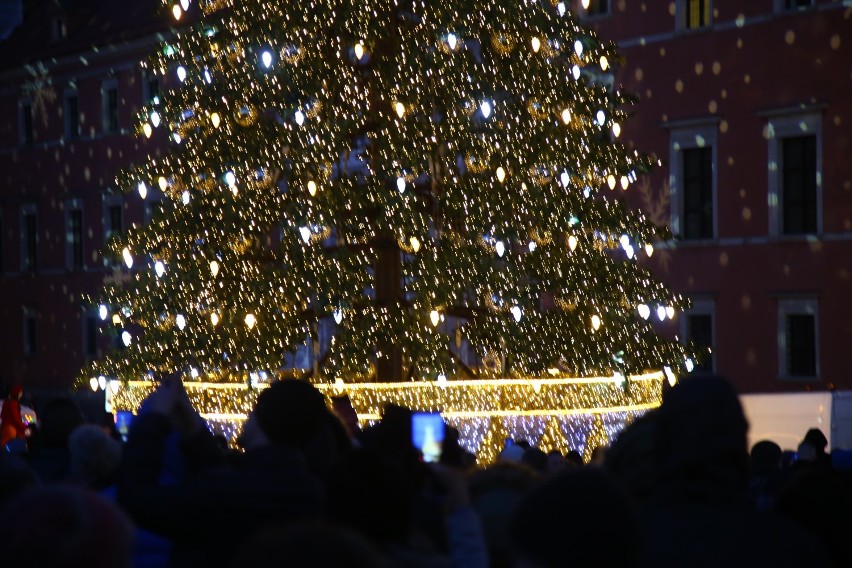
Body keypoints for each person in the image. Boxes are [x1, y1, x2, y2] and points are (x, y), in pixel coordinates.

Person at [117, 374, 331, 567]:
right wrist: (193, 432)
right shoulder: (313, 491)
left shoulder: (227, 491)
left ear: (262, 417)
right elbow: (236, 484)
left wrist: (154, 419)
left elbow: (137, 499)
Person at [0, 385, 28, 449]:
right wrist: (24, 425)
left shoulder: (7, 402)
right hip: (11, 429)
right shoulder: (13, 404)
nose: (21, 395)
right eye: (20, 393)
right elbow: (16, 418)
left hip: (5, 427)